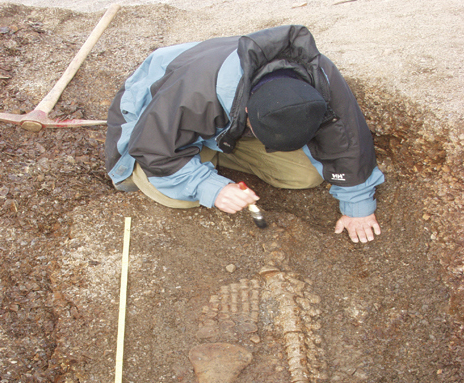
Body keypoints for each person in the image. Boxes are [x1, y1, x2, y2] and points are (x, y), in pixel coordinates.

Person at [105, 25, 384, 243]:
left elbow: (347, 136)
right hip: (155, 122)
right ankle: (196, 159)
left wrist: (358, 206)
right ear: (248, 111)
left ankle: (208, 153)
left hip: (223, 125)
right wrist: (211, 187)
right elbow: (153, 149)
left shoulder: (319, 76)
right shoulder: (192, 93)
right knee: (176, 197)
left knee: (306, 175)